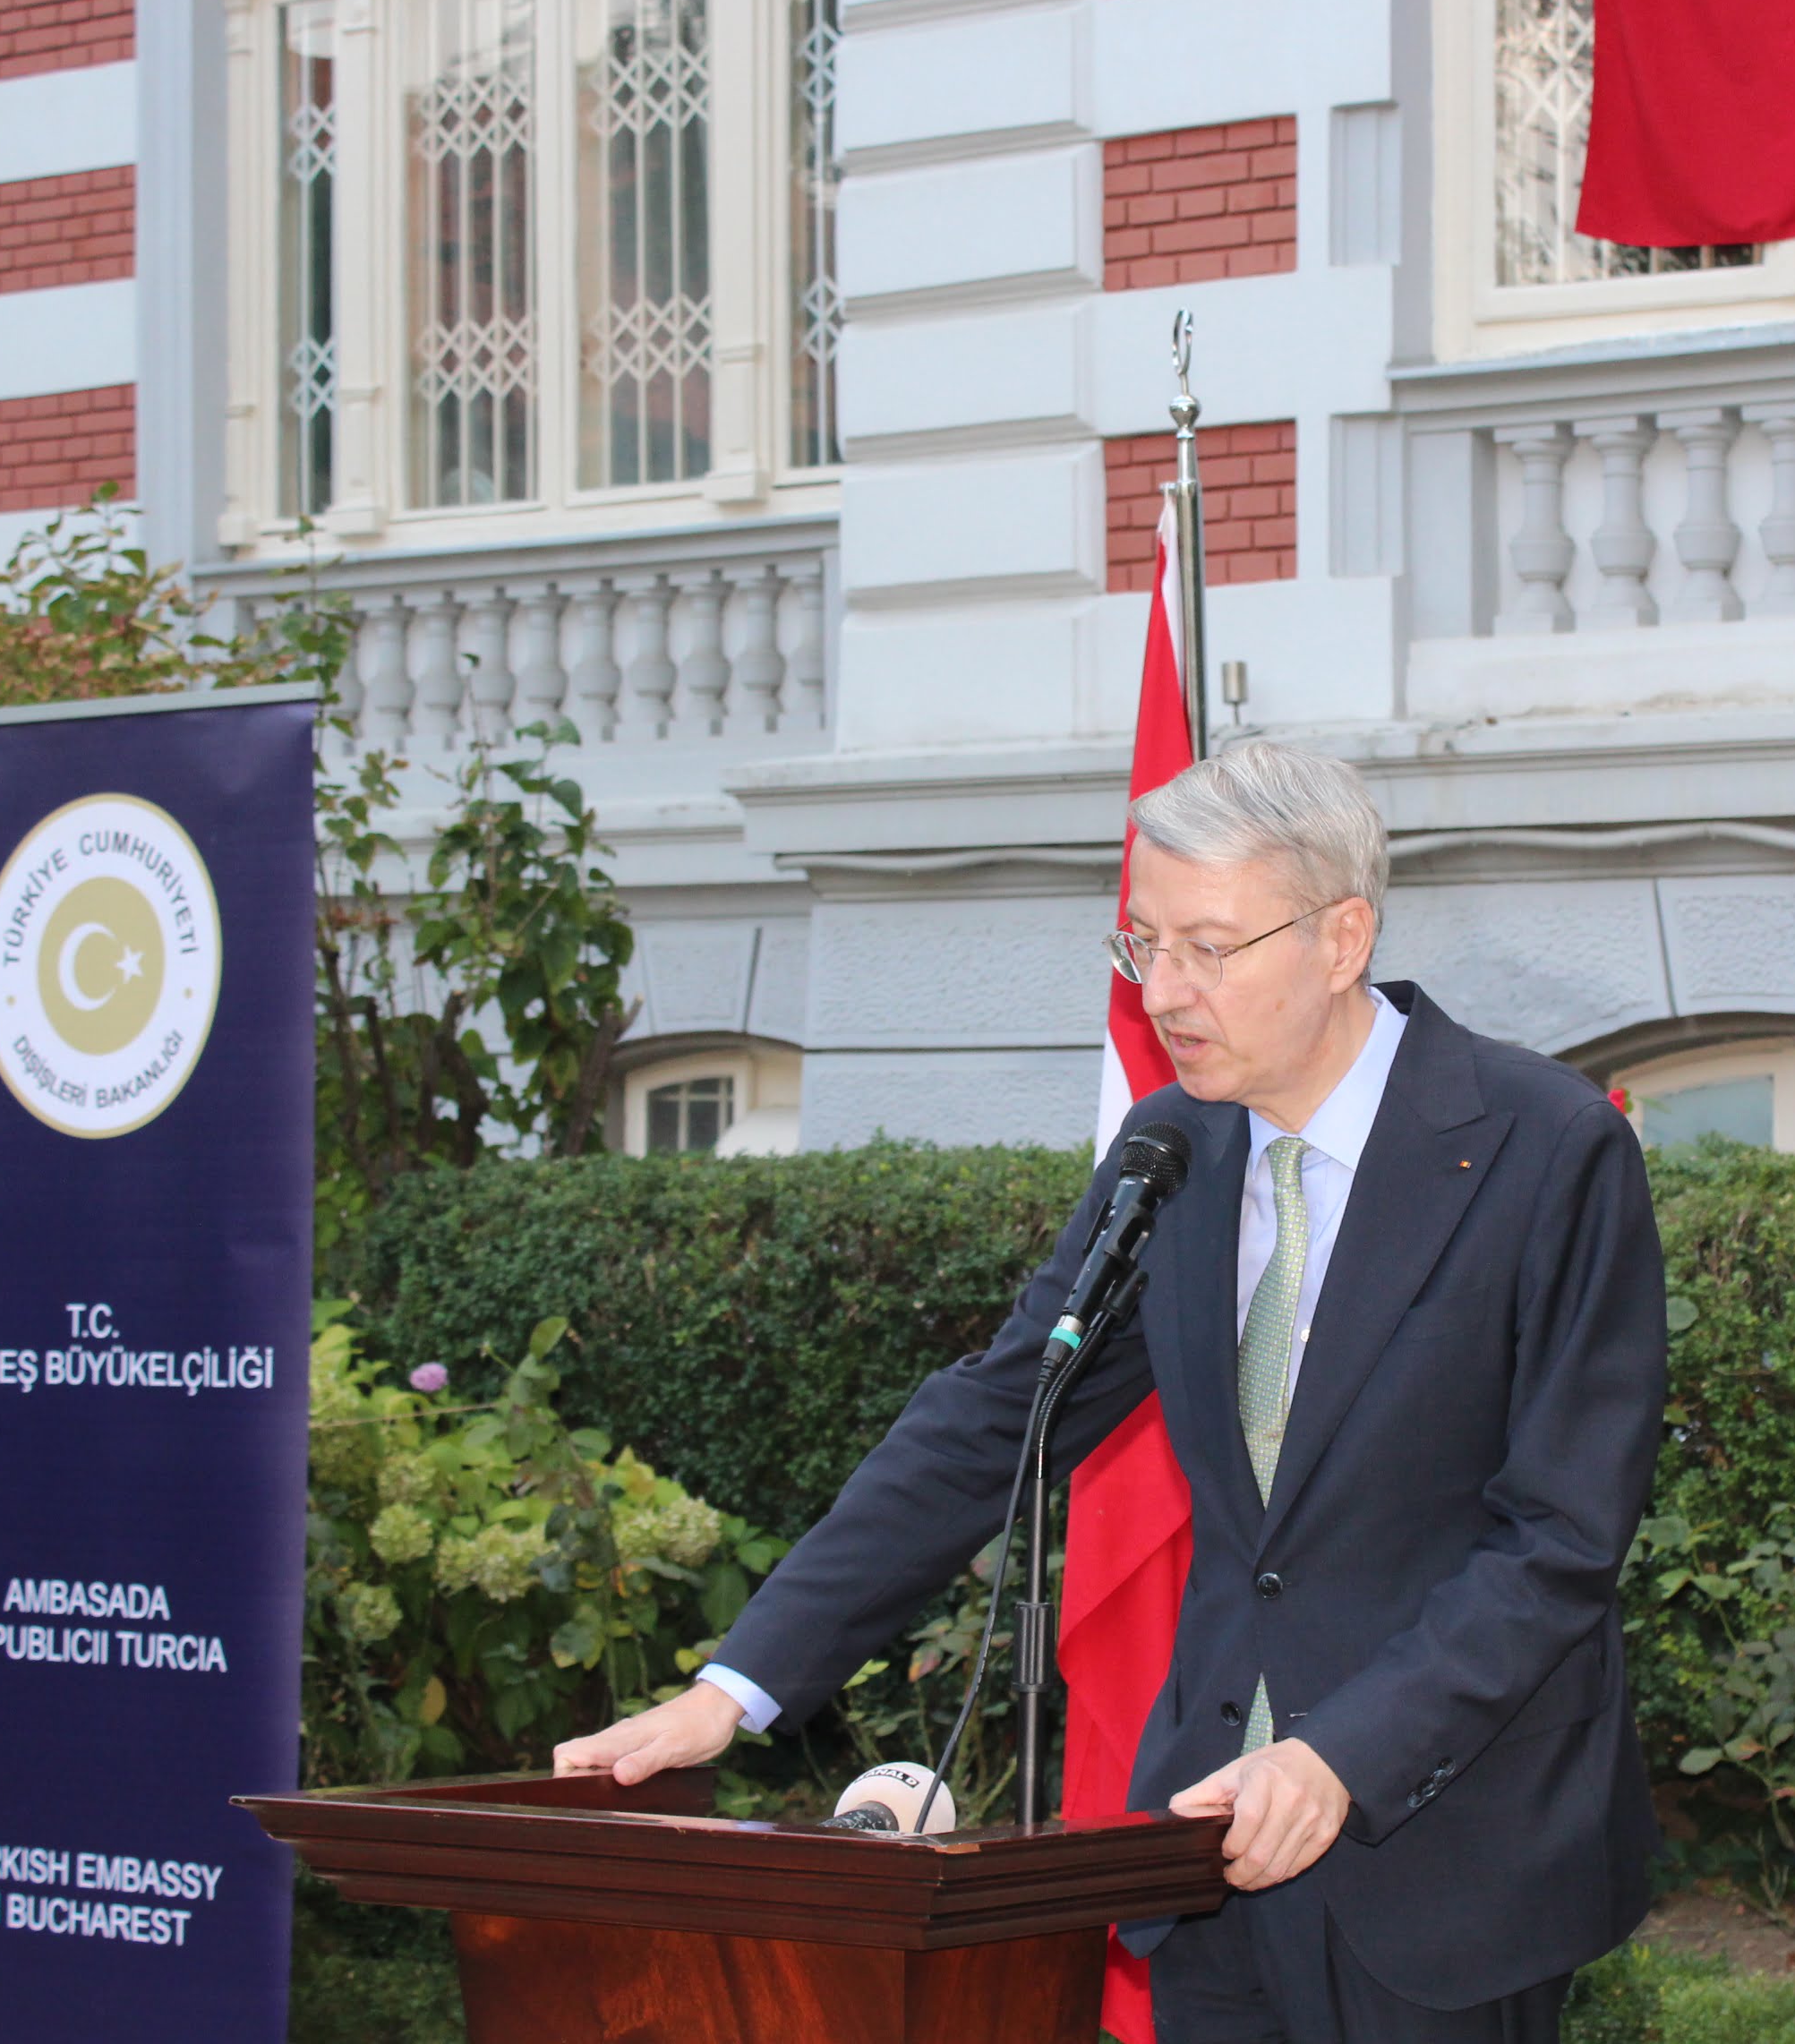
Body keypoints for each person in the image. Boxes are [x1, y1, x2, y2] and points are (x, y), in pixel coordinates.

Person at [555, 741, 1667, 2044]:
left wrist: (1343, 1754)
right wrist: (733, 1690)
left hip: (1446, 1848)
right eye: (1144, 944)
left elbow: (1559, 1539)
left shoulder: (1547, 1147)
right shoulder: (1171, 1149)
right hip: (1198, 1851)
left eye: (1210, 948)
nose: (1165, 992)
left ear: (1342, 937)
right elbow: (994, 1419)